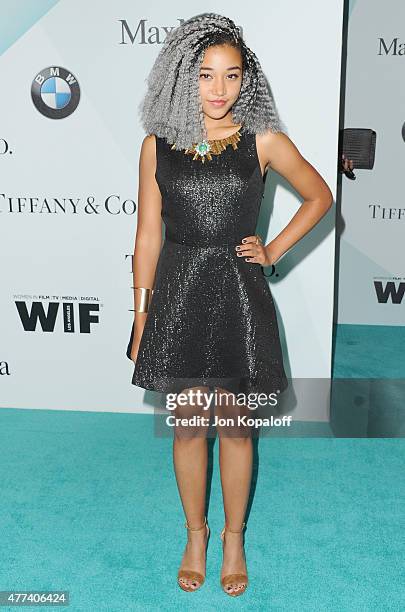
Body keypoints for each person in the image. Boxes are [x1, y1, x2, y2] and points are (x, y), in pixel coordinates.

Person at [126, 13, 333, 597]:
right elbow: (147, 235)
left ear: (248, 81)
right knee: (189, 428)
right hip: (180, 295)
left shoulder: (261, 140)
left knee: (237, 430)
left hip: (240, 297)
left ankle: (234, 537)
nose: (219, 90)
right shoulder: (156, 146)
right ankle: (196, 534)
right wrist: (142, 314)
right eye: (205, 76)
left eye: (232, 76)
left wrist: (272, 250)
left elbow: (320, 196)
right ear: (180, 78)